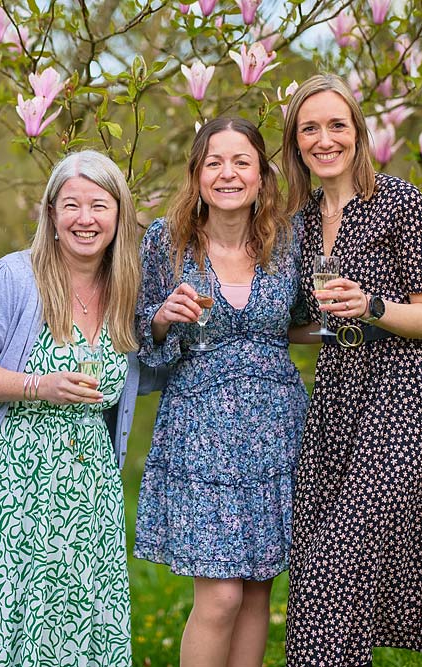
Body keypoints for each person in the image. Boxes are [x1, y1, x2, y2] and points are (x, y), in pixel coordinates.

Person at [0, 150, 143, 666]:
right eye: (71, 205)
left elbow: (140, 375)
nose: (85, 219)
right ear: (50, 215)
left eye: (99, 205)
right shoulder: (12, 279)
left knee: (70, 634)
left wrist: (163, 327)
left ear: (119, 214)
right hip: (2, 492)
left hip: (86, 495)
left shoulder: (124, 290)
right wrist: (35, 386)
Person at [280, 73, 422, 666]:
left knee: (340, 561)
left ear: (358, 132)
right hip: (336, 400)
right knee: (313, 571)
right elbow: (315, 325)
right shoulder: (300, 222)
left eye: (337, 125)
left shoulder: (400, 202)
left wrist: (374, 306)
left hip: (404, 398)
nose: (324, 139)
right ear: (296, 142)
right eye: (310, 128)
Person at [134, 117, 308, 667]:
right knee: (221, 595)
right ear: (197, 174)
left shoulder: (288, 242)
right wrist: (163, 318)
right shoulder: (167, 240)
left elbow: (302, 319)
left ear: (261, 176)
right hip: (201, 429)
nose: (228, 173)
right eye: (214, 162)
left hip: (276, 428)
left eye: (241, 162)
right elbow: (140, 332)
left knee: (258, 589)